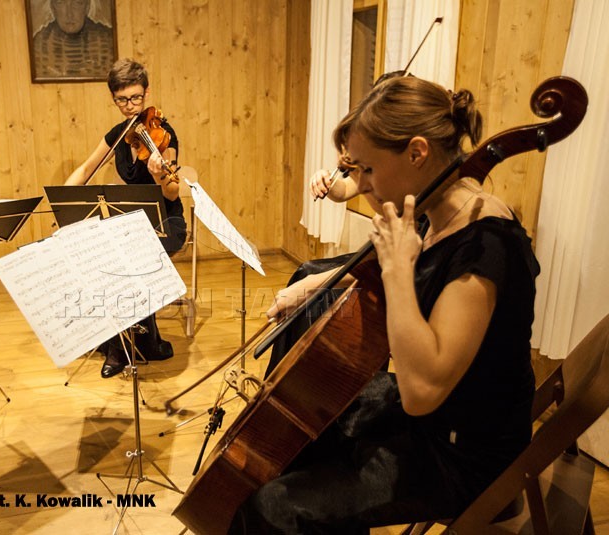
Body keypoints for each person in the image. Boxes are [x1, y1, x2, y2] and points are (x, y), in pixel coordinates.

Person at [230, 75, 540, 533]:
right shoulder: (435, 212)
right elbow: (398, 265)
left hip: (461, 450)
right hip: (439, 420)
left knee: (270, 509)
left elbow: (421, 394)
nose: (363, 184)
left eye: (369, 170)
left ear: (417, 153)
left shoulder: (485, 248)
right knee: (314, 406)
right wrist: (313, 285)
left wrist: (397, 271)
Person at [65, 58, 186, 378]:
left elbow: (172, 193)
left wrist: (159, 175)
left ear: (146, 92)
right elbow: (85, 169)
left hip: (165, 222)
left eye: (136, 97)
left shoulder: (163, 134)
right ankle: (144, 340)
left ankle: (120, 347)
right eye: (122, 100)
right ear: (113, 98)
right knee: (104, 253)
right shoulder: (119, 135)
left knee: (127, 260)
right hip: (132, 224)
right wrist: (62, 201)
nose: (130, 106)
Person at [33, 0, 114, 79]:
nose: (69, 14)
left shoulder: (108, 41)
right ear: (53, 8)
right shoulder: (39, 44)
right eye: (60, 3)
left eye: (77, 3)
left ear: (87, 7)